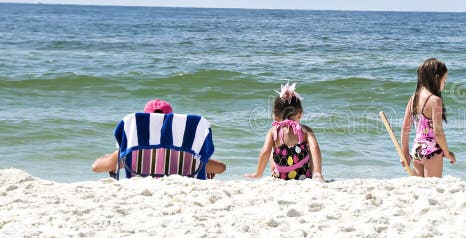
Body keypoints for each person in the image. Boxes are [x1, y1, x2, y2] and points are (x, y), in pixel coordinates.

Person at [91, 99, 227, 178]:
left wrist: (113, 155)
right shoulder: (187, 150)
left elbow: (96, 167)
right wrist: (204, 165)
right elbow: (220, 168)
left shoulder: (133, 151)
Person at [246, 83, 324, 181]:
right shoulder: (305, 130)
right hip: (303, 174)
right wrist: (317, 172)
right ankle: (316, 175)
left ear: (276, 116)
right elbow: (315, 148)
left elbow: (265, 152)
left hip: (280, 175)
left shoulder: (273, 132)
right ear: (300, 114)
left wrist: (258, 173)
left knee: (272, 149)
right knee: (309, 147)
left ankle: (274, 171)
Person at [400, 58, 456, 177]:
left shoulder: (413, 98)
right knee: (432, 189)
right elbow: (438, 132)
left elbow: (405, 128)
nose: (444, 84)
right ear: (436, 78)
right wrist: (446, 152)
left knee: (420, 189)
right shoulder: (435, 100)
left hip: (416, 151)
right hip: (432, 152)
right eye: (444, 80)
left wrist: (404, 153)